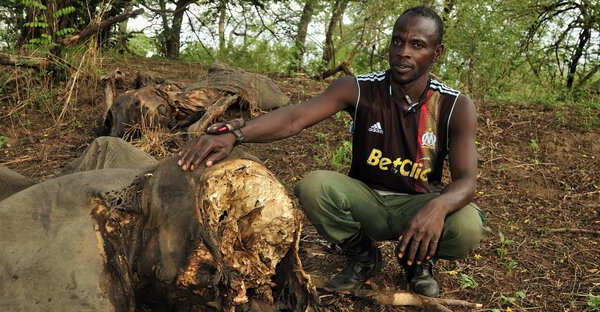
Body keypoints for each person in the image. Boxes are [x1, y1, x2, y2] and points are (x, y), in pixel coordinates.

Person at [178, 6, 489, 298]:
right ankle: (363, 257)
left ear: (437, 53)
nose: (403, 53)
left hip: (418, 204)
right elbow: (294, 118)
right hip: (367, 199)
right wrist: (236, 134)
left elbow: (466, 182)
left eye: (417, 45)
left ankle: (417, 261)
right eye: (398, 41)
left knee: (468, 225)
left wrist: (437, 208)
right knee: (315, 186)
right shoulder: (359, 88)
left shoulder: (455, 106)